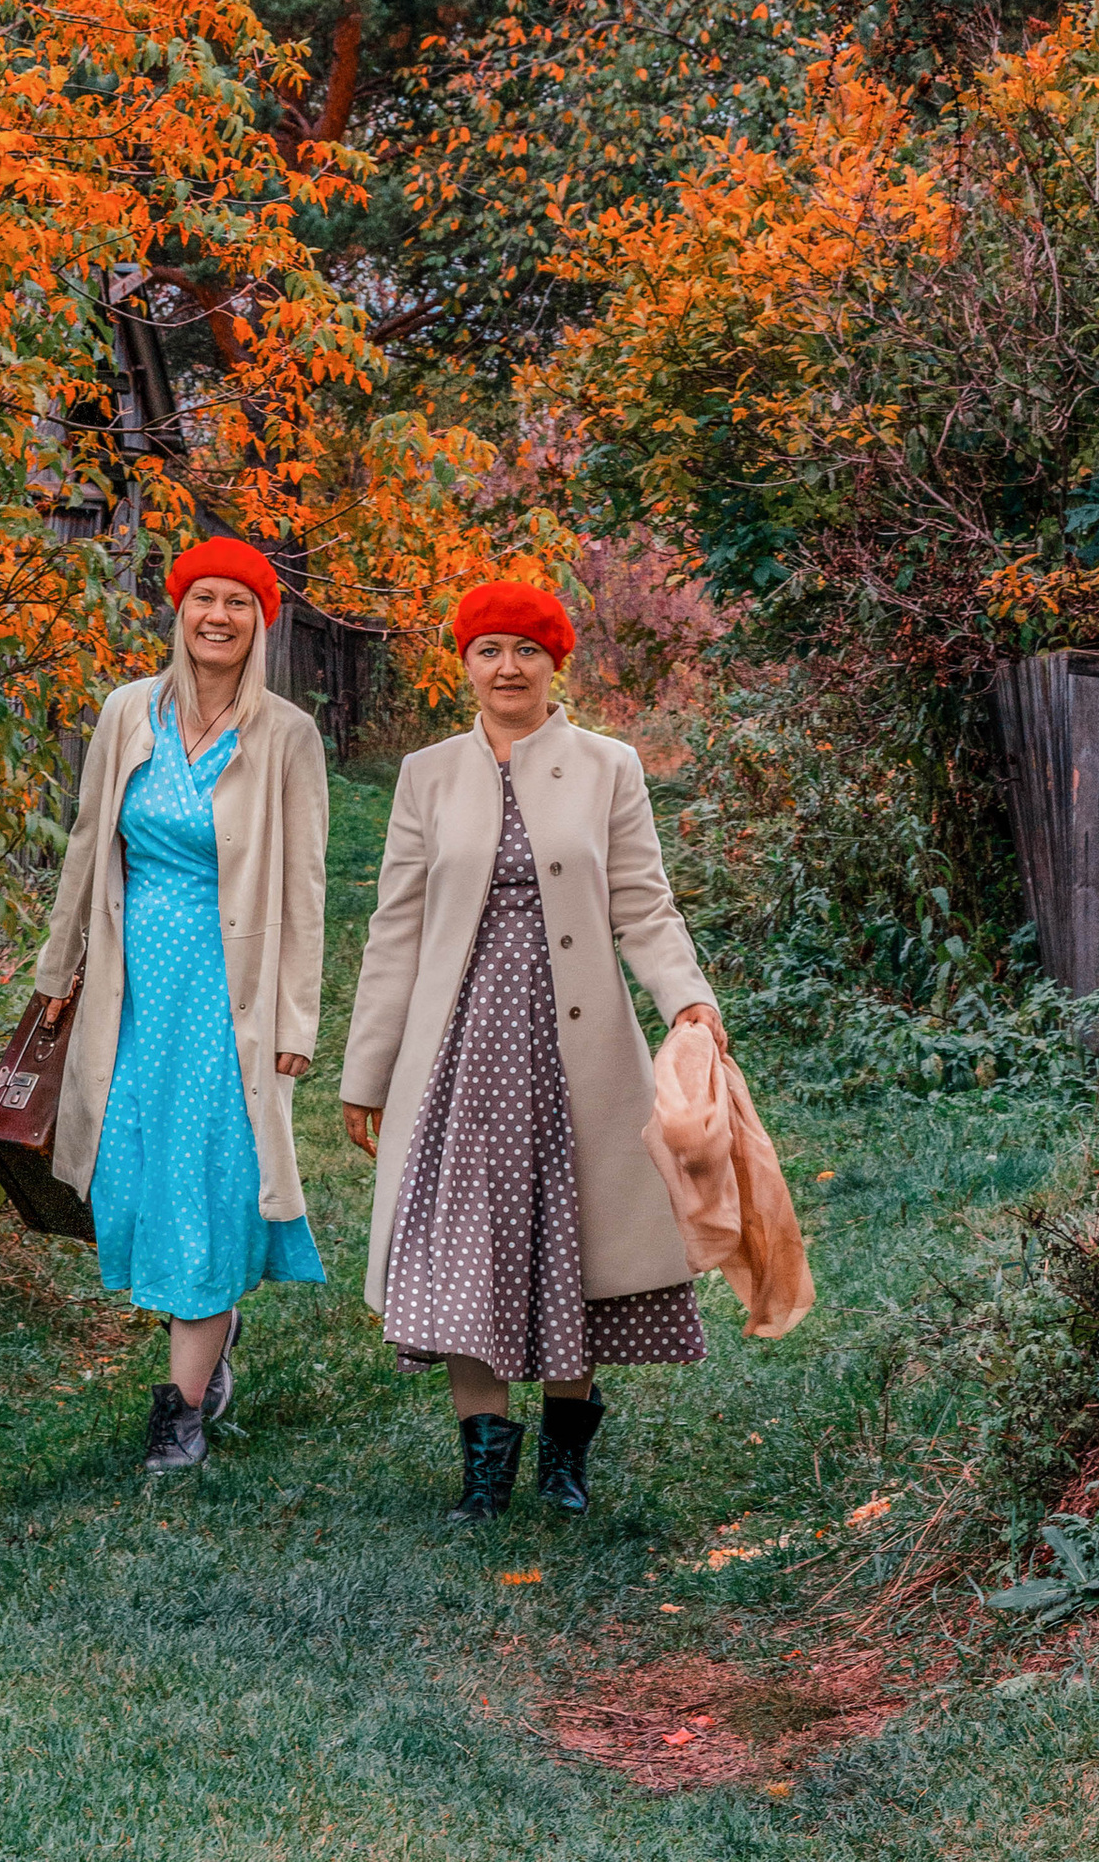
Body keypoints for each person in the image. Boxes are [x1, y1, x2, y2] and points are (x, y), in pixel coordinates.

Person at [339, 573, 723, 1524]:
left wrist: (688, 1001)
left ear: (556, 662)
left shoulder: (608, 765)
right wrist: (368, 1069)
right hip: (463, 1054)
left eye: (527, 649)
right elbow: (395, 929)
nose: (508, 667)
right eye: (488, 649)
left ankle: (563, 1455)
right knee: (471, 1245)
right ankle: (482, 1471)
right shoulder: (427, 775)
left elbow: (641, 900)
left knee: (573, 1233)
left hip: (576, 1051)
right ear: (463, 664)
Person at [32, 534, 328, 1475]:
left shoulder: (285, 733)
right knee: (128, 1179)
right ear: (179, 610)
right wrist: (53, 975)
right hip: (133, 979)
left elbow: (307, 886)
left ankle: (182, 1409)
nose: (219, 616)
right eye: (205, 598)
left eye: (239, 603)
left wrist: (294, 1022)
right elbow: (87, 846)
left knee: (203, 1175)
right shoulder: (130, 712)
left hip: (226, 991)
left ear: (260, 622)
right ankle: (212, 1326)